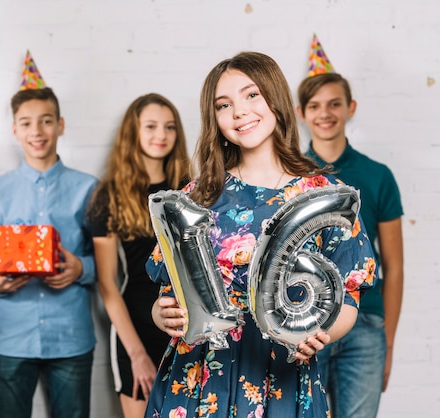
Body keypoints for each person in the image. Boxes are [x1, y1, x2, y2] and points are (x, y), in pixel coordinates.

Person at [144, 51, 377, 417]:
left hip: (281, 381)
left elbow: (348, 296)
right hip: (197, 380)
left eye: (251, 95)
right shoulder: (194, 197)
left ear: (275, 98)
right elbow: (168, 295)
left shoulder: (323, 195)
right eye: (224, 104)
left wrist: (323, 334)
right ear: (214, 118)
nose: (239, 112)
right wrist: (162, 314)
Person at [0, 86, 98, 418]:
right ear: (15, 130)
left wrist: (81, 269)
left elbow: (109, 263)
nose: (36, 132)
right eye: (26, 123)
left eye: (45, 121)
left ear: (60, 125)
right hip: (13, 336)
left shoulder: (89, 187)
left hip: (70, 336)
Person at [297, 71, 404, 418]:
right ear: (301, 113)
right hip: (305, 323)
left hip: (365, 328)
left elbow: (395, 265)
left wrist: (387, 340)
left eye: (334, 104)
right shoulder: (289, 176)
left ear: (350, 107)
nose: (324, 113)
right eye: (314, 105)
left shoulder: (378, 176)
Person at [86, 93, 191, 418]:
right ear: (133, 131)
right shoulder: (111, 194)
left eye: (169, 127)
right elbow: (107, 285)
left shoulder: (190, 187)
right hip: (135, 327)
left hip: (185, 324)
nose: (161, 135)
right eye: (151, 126)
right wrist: (136, 354)